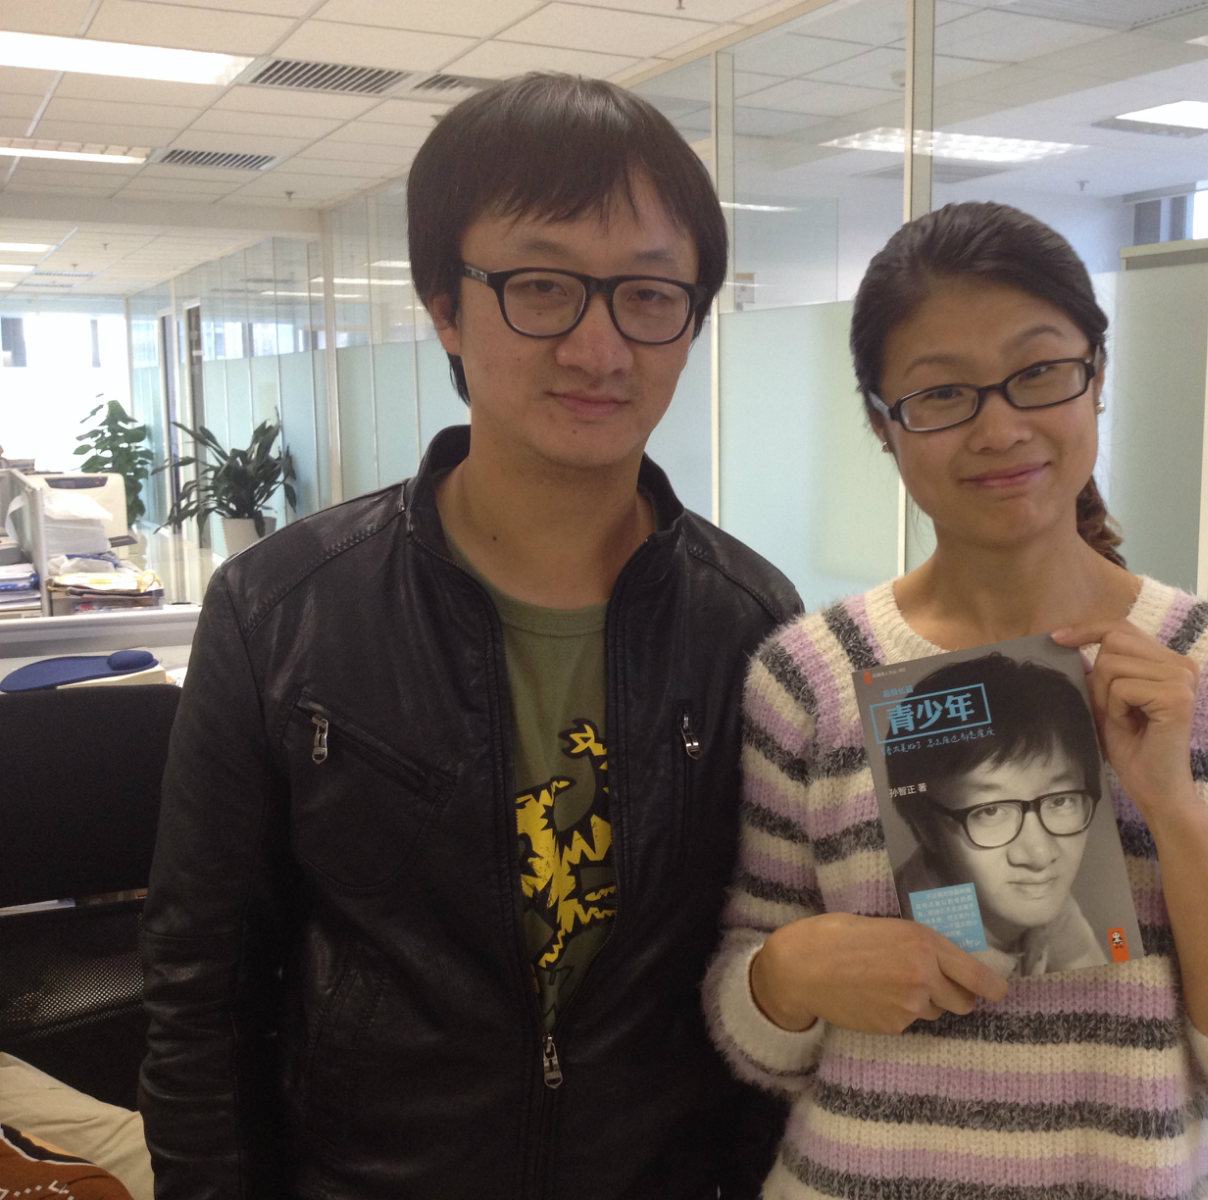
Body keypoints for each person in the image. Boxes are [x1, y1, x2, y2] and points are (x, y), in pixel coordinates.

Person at [139, 74, 800, 1200]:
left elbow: (759, 974)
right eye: (542, 287)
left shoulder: (752, 624)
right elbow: (200, 991)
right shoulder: (281, 610)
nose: (599, 349)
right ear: (445, 305)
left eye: (649, 295)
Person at [704, 201, 1208, 1198]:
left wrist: (1175, 811)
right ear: (883, 425)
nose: (1001, 427)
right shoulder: (808, 676)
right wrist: (788, 974)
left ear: (1096, 378)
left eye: (1040, 372)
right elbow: (757, 1035)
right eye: (942, 394)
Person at [884, 653, 1110, 977]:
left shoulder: (1047, 906)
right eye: (990, 810)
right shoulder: (904, 950)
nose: (1039, 855)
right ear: (925, 828)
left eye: (1060, 801)